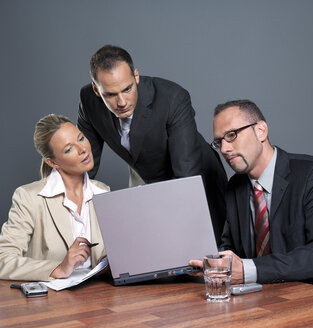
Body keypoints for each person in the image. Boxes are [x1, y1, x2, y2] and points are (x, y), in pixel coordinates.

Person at [77, 45, 227, 244]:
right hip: (146, 176)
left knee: (204, 251)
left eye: (127, 89)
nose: (122, 102)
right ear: (96, 89)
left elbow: (186, 176)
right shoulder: (88, 100)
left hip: (197, 177)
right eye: (110, 95)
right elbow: (84, 164)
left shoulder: (172, 98)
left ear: (136, 76)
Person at [190, 100, 313, 285]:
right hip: (257, 301)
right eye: (218, 142)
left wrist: (250, 270)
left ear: (260, 131)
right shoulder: (235, 187)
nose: (224, 149)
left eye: (231, 135)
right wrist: (212, 264)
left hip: (310, 299)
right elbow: (230, 249)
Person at [0, 114, 110, 281]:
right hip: (52, 299)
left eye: (81, 138)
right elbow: (3, 260)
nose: (83, 150)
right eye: (69, 149)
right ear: (53, 163)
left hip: (100, 293)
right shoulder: (29, 198)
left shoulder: (103, 191)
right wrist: (59, 268)